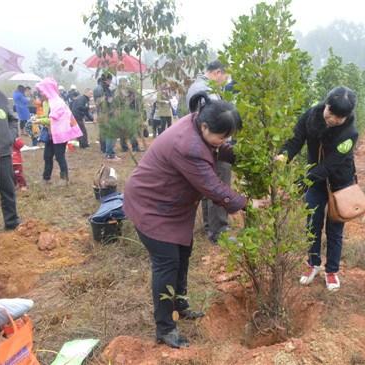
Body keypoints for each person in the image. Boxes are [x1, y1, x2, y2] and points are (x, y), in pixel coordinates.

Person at [123, 92, 251, 348]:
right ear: (205, 126)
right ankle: (165, 328)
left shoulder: (200, 123)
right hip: (152, 206)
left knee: (183, 252)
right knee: (167, 263)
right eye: (222, 136)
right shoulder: (189, 146)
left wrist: (246, 158)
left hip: (172, 205)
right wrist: (247, 203)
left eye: (229, 137)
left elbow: (219, 147)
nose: (225, 141)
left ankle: (179, 303)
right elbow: (213, 188)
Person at [280, 86, 358, 291]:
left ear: (347, 116)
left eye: (339, 118)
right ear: (326, 105)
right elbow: (295, 141)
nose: (332, 120)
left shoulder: (349, 133)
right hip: (315, 181)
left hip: (339, 182)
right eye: (330, 113)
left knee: (335, 228)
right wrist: (283, 156)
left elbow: (330, 165)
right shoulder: (311, 116)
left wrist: (300, 183)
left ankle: (331, 270)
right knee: (312, 223)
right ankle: (312, 264)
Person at [185, 60, 231, 243]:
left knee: (207, 184)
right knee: (218, 183)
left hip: (205, 145)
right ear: (218, 72)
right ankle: (219, 230)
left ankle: (209, 226)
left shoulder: (196, 86)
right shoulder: (205, 90)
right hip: (212, 146)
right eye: (225, 77)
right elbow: (212, 123)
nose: (225, 81)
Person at [35, 77, 83, 185]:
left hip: (60, 134)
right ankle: (46, 178)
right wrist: (39, 118)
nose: (40, 94)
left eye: (41, 91)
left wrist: (38, 121)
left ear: (48, 91)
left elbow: (52, 119)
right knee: (47, 156)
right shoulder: (46, 103)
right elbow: (46, 116)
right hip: (51, 134)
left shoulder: (58, 103)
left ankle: (64, 179)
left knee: (59, 156)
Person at [0, 90, 21, 230]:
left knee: (7, 189)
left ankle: (11, 222)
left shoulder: (0, 96)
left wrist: (9, 138)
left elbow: (12, 120)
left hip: (3, 154)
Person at [94, 74, 120, 161]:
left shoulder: (105, 88)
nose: (111, 82)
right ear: (106, 80)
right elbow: (101, 103)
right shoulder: (100, 89)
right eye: (110, 80)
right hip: (106, 115)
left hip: (107, 114)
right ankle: (110, 154)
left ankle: (108, 152)